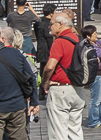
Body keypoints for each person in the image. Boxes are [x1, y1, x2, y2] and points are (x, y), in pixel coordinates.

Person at [40, 11, 86, 140]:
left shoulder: (59, 42)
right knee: (75, 131)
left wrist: (45, 81)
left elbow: (50, 66)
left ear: (60, 24)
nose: (50, 27)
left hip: (61, 89)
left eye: (52, 24)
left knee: (58, 132)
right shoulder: (79, 39)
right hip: (78, 89)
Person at [80, 25, 101, 129]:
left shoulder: (94, 43)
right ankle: (93, 120)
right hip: (96, 73)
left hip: (100, 73)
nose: (96, 35)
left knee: (99, 98)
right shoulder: (89, 46)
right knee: (95, 99)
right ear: (88, 36)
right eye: (94, 33)